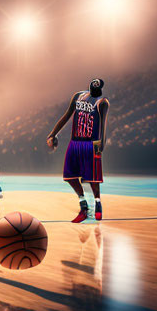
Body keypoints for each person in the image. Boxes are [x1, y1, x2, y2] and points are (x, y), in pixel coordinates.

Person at [47, 78, 109, 223]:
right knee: (69, 176)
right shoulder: (78, 96)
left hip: (91, 143)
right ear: (89, 87)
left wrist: (102, 144)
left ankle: (98, 203)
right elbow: (66, 115)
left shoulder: (102, 102)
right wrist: (53, 133)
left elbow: (103, 125)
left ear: (100, 90)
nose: (94, 91)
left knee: (93, 178)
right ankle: (83, 203)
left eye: (96, 90)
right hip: (75, 142)